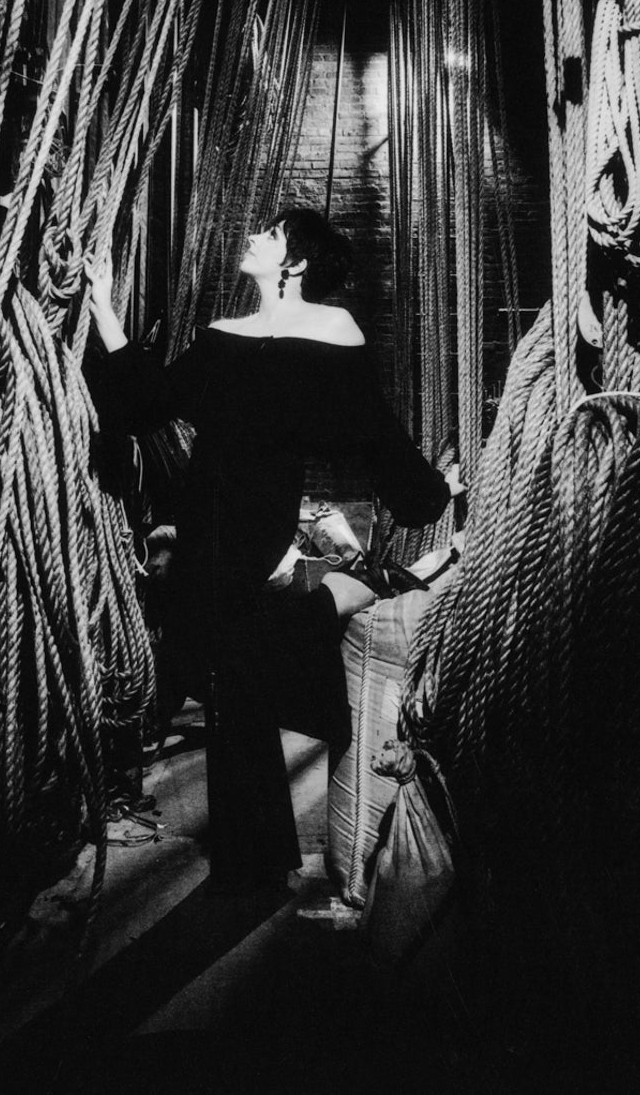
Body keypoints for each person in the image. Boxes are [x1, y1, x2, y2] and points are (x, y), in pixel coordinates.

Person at [84, 208, 453, 894]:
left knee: (233, 667)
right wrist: (104, 305)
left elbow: (374, 430)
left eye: (273, 233)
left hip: (255, 523)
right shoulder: (225, 336)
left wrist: (429, 492)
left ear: (297, 263)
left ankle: (250, 864)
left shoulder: (332, 330)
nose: (255, 236)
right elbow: (146, 403)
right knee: (230, 677)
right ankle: (257, 858)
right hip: (202, 519)